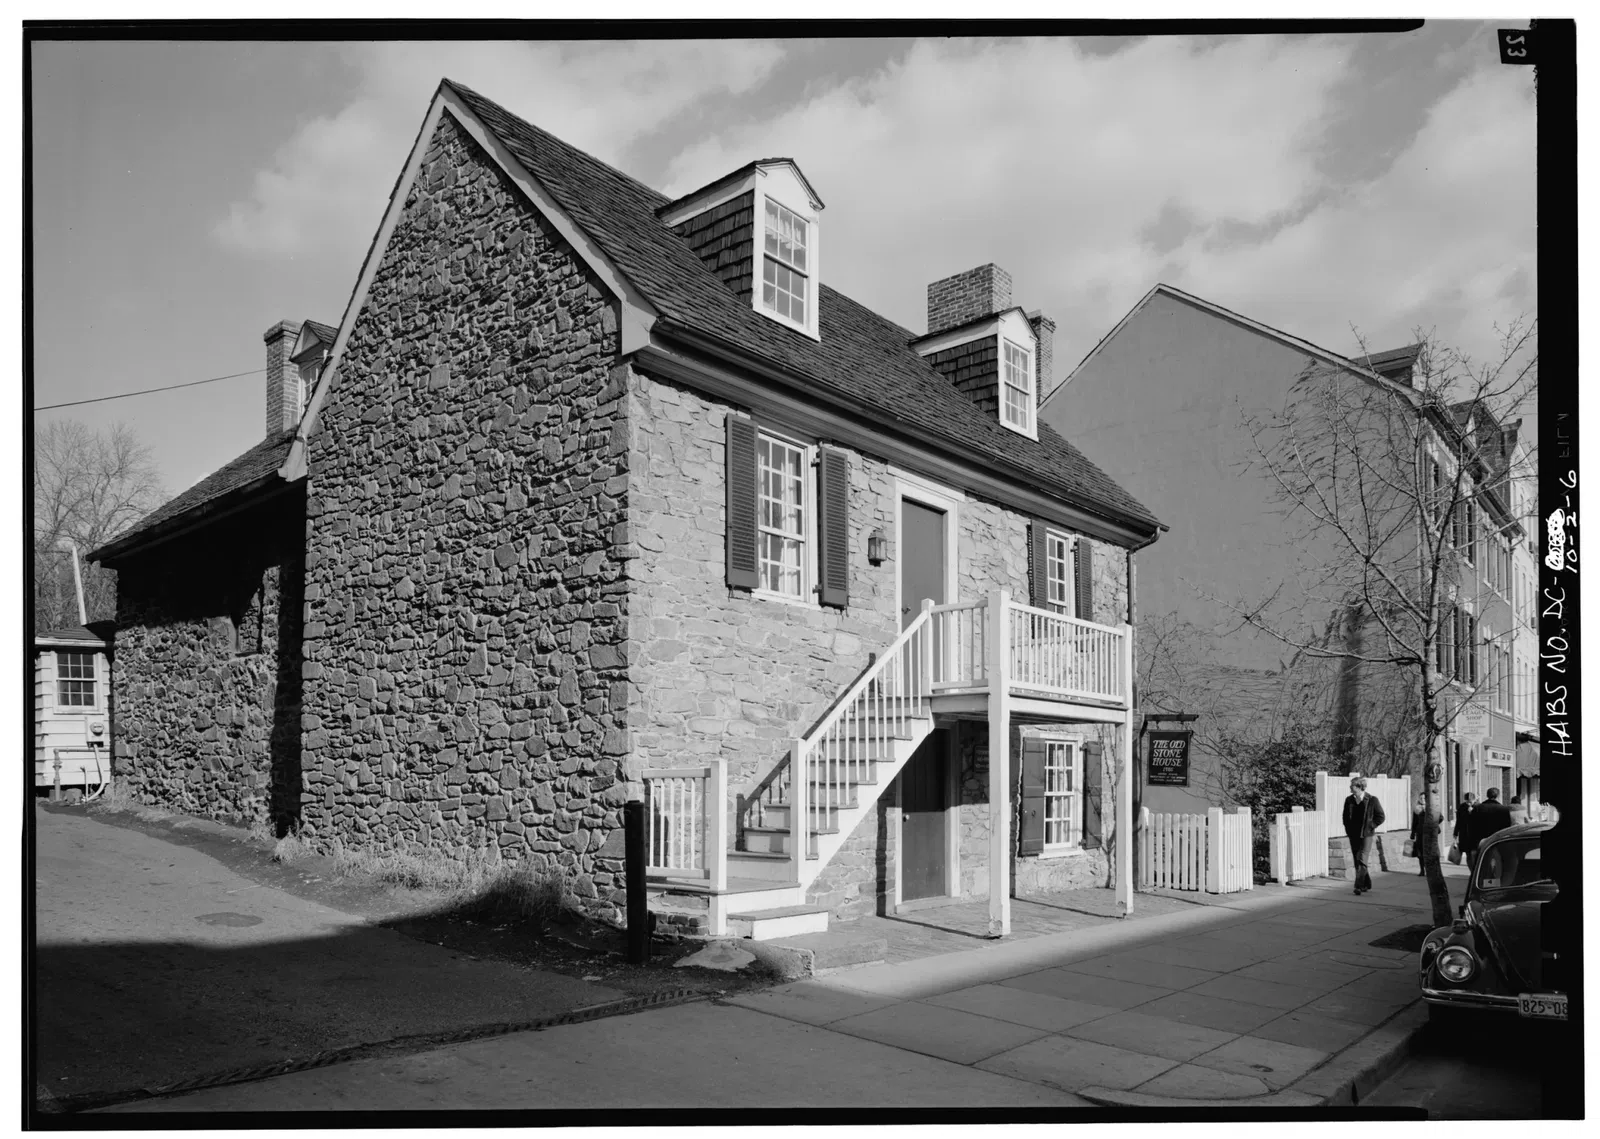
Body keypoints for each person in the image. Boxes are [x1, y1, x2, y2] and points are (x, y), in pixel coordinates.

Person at [1342, 776, 1387, 895]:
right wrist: (1348, 830)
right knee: (1357, 859)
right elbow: (1345, 817)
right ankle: (1366, 883)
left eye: (1352, 786)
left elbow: (1381, 817)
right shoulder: (1349, 800)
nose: (1350, 788)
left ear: (1359, 787)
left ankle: (1358, 885)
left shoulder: (1372, 800)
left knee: (1362, 858)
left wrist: (1371, 825)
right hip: (1353, 834)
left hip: (1366, 834)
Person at [1466, 786, 1513, 870]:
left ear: (1487, 795)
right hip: (1496, 840)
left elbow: (1471, 825)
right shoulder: (1503, 809)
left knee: (1481, 865)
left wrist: (1472, 842)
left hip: (1480, 840)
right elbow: (1507, 827)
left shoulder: (1477, 808)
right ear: (1497, 796)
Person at [1409, 794, 1438, 875]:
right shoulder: (1416, 809)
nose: (1422, 799)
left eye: (1424, 798)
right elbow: (1414, 821)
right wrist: (1413, 833)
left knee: (1429, 852)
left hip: (1429, 834)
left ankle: (1430, 870)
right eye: (1421, 798)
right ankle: (1422, 870)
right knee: (1420, 853)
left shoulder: (1431, 807)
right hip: (1420, 833)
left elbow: (1440, 818)